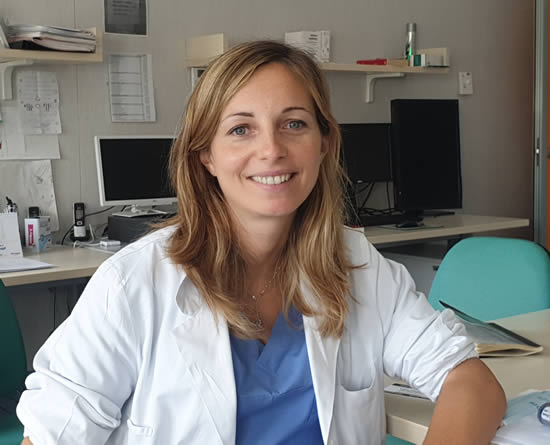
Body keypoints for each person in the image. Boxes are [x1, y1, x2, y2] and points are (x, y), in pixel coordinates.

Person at [17, 40, 505, 445]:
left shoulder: (358, 264)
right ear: (206, 155)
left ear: (324, 143)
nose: (271, 149)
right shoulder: (133, 284)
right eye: (240, 129)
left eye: (294, 123)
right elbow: (51, 434)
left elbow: (468, 381)